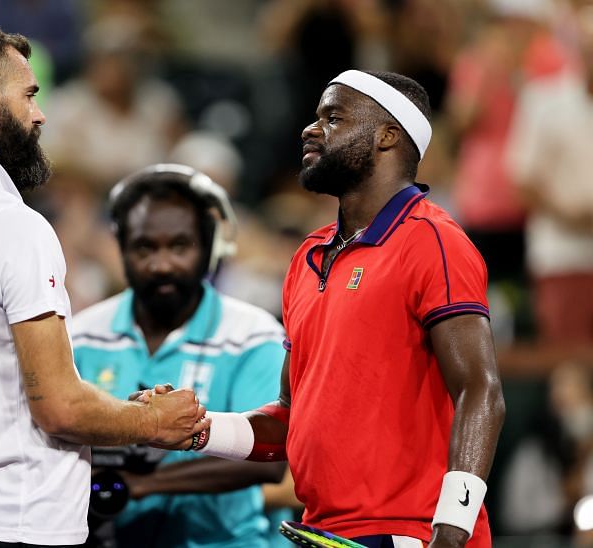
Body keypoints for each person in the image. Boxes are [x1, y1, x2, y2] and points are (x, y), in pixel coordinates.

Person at [147, 70, 506, 547]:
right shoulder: (308, 256)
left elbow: (481, 390)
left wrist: (451, 529)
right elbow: (288, 419)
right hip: (323, 531)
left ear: (387, 136)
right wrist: (198, 429)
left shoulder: (434, 241)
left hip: (414, 533)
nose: (310, 129)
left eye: (333, 118)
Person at [0, 25, 207, 548]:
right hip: (25, 533)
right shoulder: (19, 227)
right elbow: (58, 407)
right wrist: (152, 420)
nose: (40, 113)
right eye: (30, 94)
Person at [71, 164, 289, 547]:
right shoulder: (80, 336)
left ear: (210, 248)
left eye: (179, 246)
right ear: (121, 248)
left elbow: (270, 462)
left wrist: (143, 485)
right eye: (144, 247)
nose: (162, 264)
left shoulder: (253, 335)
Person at [505, 0, 593, 345]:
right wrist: (568, 214)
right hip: (561, 254)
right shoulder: (543, 98)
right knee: (567, 364)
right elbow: (522, 178)